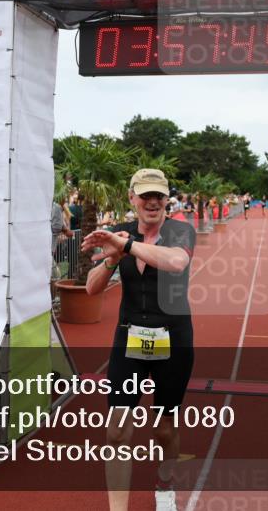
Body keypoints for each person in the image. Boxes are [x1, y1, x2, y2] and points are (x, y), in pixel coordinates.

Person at [81, 168, 196, 511]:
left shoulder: (181, 231)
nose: (152, 202)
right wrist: (113, 257)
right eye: (145, 195)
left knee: (163, 428)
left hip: (173, 341)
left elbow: (176, 263)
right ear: (132, 198)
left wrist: (127, 246)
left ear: (167, 200)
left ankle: (165, 484)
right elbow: (90, 288)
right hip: (129, 339)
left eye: (158, 195)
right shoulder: (121, 234)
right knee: (117, 429)